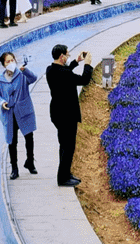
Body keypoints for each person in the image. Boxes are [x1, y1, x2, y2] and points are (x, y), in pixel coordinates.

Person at [46, 43, 93, 187]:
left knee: (64, 144)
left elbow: (64, 71)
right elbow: (84, 80)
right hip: (67, 115)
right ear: (61, 57)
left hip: (57, 112)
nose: (68, 57)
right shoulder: (64, 74)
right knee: (69, 146)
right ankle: (62, 178)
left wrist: (76, 62)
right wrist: (87, 64)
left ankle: (65, 173)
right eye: (67, 55)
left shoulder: (50, 70)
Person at [0, 51, 38, 180]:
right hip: (9, 114)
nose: (11, 63)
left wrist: (26, 70)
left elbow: (34, 78)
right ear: (3, 64)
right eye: (8, 61)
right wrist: (2, 102)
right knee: (12, 141)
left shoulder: (22, 75)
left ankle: (30, 162)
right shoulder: (0, 80)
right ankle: (14, 168)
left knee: (29, 137)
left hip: (24, 111)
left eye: (12, 60)